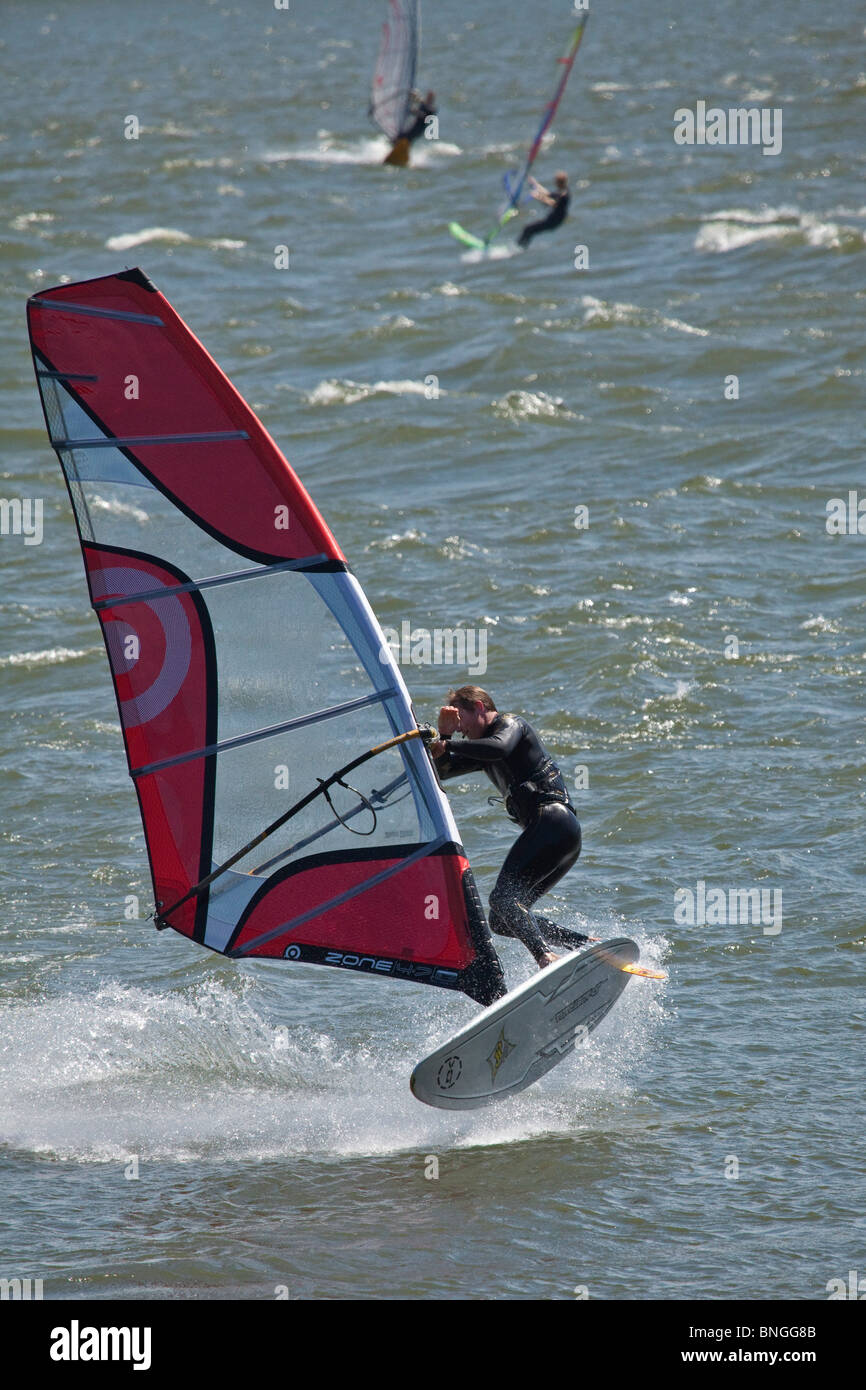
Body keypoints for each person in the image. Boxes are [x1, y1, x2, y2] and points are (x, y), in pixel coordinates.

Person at [429, 685, 591, 970]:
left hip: (554, 821)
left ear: (479, 707)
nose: (461, 728)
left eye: (461, 719)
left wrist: (451, 743)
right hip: (555, 834)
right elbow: (444, 770)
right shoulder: (480, 748)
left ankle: (545, 956)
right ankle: (583, 943)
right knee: (503, 918)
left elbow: (499, 747)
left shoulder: (511, 725)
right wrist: (444, 737)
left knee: (503, 898)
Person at [517, 170, 570, 249]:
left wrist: (539, 197)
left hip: (554, 222)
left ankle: (519, 248)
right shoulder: (562, 191)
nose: (555, 183)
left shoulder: (564, 194)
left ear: (559, 182)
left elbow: (552, 203)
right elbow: (547, 193)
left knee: (528, 229)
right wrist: (534, 183)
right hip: (553, 220)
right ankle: (521, 247)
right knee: (529, 230)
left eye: (556, 181)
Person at [384, 90, 437, 166]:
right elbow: (420, 102)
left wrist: (413, 110)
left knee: (406, 138)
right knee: (399, 136)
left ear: (432, 100)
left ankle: (401, 154)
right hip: (414, 127)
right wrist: (413, 97)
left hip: (418, 130)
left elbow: (424, 114)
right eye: (428, 97)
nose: (428, 99)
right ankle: (395, 150)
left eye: (430, 98)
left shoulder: (432, 109)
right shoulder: (424, 104)